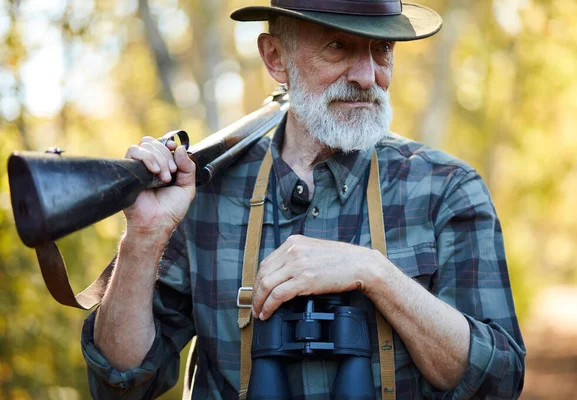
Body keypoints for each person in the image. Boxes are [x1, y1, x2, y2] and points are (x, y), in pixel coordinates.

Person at [81, 0, 526, 399]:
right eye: (338, 46)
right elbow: (120, 383)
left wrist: (376, 275)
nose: (368, 76)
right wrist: (142, 237)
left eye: (381, 51)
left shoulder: (446, 187)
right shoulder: (204, 189)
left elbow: (499, 378)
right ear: (276, 58)